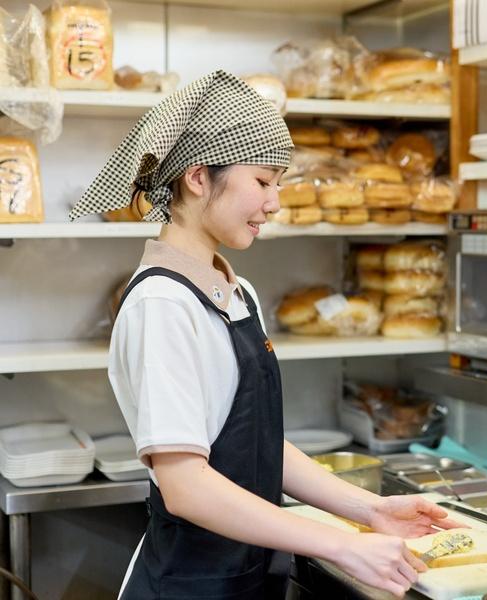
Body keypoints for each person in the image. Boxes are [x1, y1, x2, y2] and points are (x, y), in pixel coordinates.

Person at [69, 70, 461, 599]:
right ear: (198, 176)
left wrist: (371, 510)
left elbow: (255, 446)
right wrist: (342, 545)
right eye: (262, 181)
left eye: (279, 183)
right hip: (192, 586)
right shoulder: (162, 304)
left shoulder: (237, 293)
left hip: (248, 578)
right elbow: (186, 487)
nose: (275, 203)